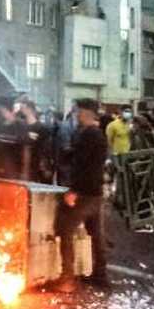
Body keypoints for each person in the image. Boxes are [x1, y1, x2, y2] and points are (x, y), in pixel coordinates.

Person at [51, 98, 110, 293]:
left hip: (84, 192)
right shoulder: (97, 134)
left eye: (79, 112)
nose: (76, 116)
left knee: (65, 228)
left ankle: (67, 278)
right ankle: (101, 275)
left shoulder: (89, 135)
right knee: (97, 235)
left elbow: (84, 166)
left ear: (87, 114)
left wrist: (73, 190)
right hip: (96, 192)